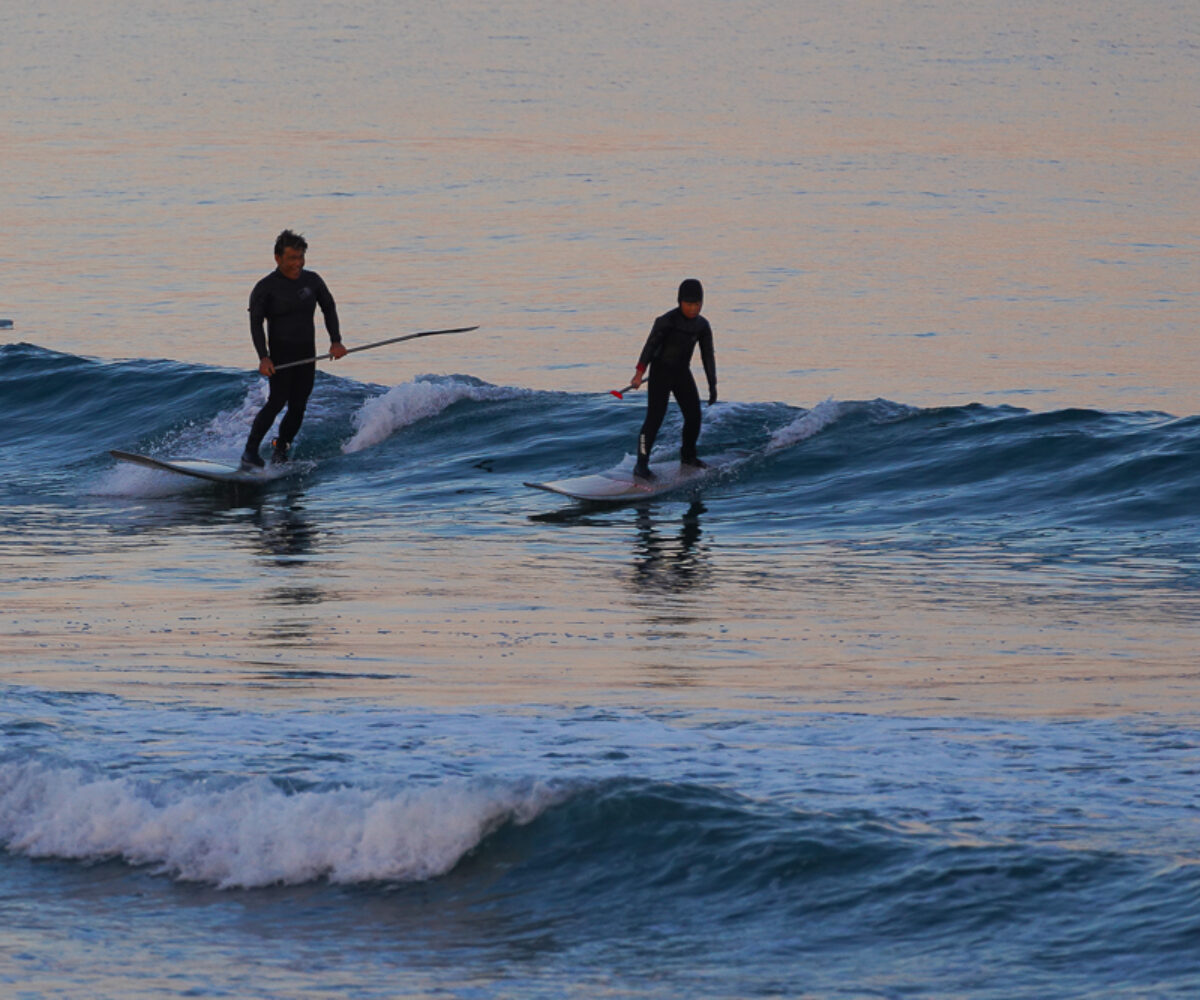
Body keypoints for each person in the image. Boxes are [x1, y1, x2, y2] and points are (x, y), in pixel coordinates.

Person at [240, 229, 347, 469]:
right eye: (292, 258)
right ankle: (250, 452)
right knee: (277, 401)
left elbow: (329, 307)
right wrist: (263, 357)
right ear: (277, 258)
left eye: (301, 257)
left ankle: (281, 448)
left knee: (299, 405)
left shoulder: (313, 280)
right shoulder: (265, 288)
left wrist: (336, 341)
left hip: (306, 354)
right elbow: (255, 324)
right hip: (280, 356)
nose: (298, 263)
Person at [628, 278, 717, 480]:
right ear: (680, 302)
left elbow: (708, 355)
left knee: (694, 416)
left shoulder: (702, 326)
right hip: (660, 373)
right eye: (689, 304)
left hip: (682, 374)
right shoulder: (666, 321)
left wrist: (712, 384)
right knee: (654, 419)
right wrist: (639, 373)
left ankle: (688, 457)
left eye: (697, 304)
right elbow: (649, 347)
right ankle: (641, 465)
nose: (693, 308)